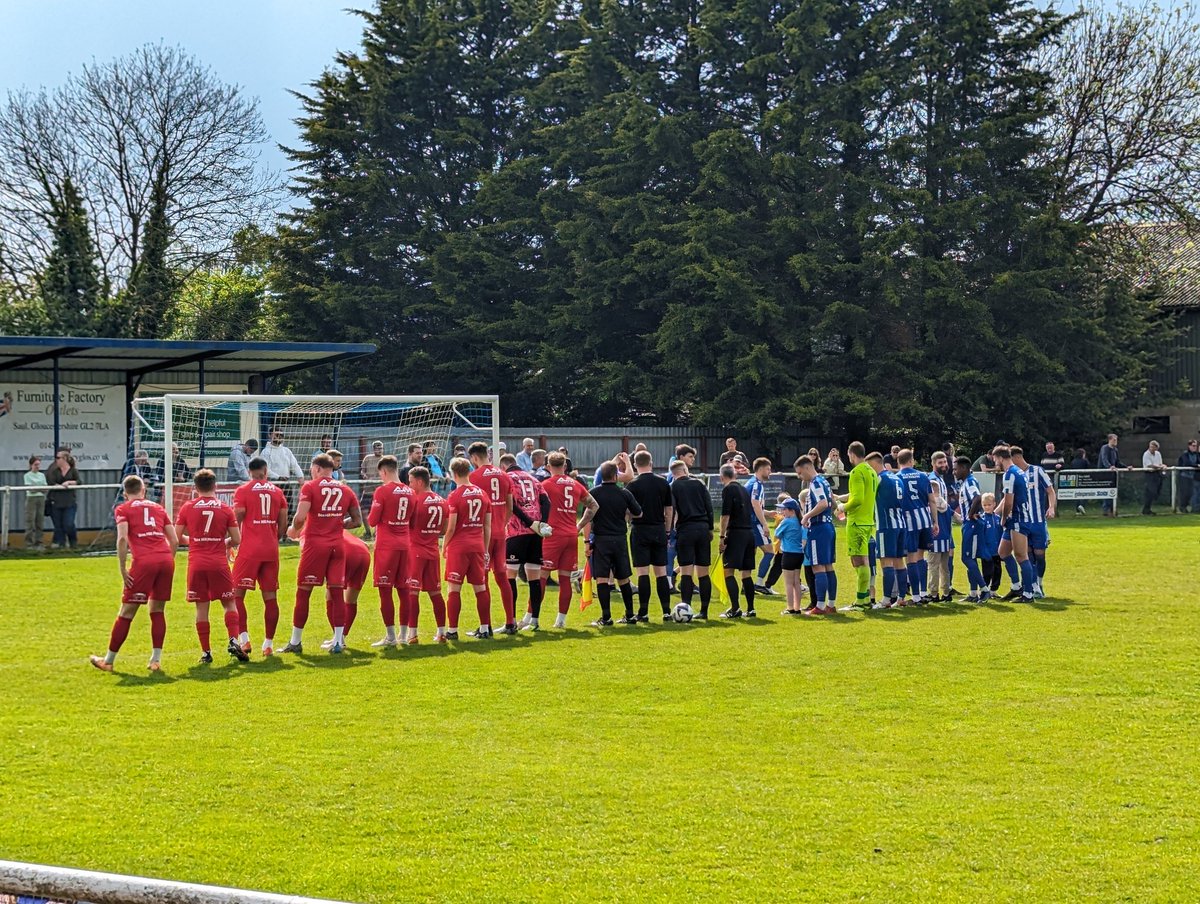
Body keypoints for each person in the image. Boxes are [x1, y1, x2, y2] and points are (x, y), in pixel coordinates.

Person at [89, 474, 177, 673]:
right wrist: (167, 560)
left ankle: (108, 661)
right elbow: (174, 541)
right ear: (143, 490)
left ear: (125, 492)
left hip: (144, 563)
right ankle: (155, 660)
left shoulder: (122, 509)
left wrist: (122, 568)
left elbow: (121, 539)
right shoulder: (158, 508)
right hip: (165, 560)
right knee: (157, 610)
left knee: (127, 611)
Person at [281, 453, 362, 654]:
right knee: (336, 593)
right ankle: (337, 641)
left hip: (315, 546)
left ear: (316, 468)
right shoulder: (345, 488)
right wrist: (336, 523)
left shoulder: (310, 486)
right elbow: (358, 520)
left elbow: (300, 517)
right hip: (337, 545)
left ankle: (295, 641)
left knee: (304, 592)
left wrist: (293, 530)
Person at [177, 470, 247, 663]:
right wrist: (222, 542)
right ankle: (233, 639)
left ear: (196, 487)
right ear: (215, 486)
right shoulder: (225, 508)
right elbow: (236, 539)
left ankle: (206, 653)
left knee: (201, 607)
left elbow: (176, 537)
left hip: (197, 563)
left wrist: (196, 541)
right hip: (218, 564)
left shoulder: (187, 507)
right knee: (229, 603)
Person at [231, 457, 288, 657]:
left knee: (236, 594)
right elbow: (283, 524)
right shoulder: (278, 491)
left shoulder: (243, 490)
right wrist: (274, 536)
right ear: (266, 471)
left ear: (249, 472)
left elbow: (237, 515)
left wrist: (232, 540)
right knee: (270, 597)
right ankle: (268, 644)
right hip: (271, 550)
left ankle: (245, 640)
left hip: (249, 550)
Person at [539, 451, 599, 626]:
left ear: (548, 466)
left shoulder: (545, 485)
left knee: (542, 576)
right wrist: (579, 526)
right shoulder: (575, 484)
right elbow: (594, 505)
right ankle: (561, 620)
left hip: (552, 535)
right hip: (570, 535)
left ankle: (532, 617)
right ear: (564, 466)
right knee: (565, 578)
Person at [467, 441, 518, 633]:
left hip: (482, 534)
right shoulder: (504, 475)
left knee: (483, 579)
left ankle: (485, 626)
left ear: (474, 458)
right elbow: (510, 507)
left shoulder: (474, 477)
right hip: (500, 532)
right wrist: (502, 525)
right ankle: (510, 622)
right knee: (502, 577)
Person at [367, 455, 416, 647]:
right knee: (404, 591)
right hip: (405, 545)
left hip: (387, 546)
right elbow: (412, 522)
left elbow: (371, 520)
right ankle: (404, 635)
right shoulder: (410, 492)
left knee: (385, 591)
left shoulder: (382, 491)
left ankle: (390, 636)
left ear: (384, 471)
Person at [586, 461, 642, 627]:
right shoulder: (624, 493)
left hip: (601, 540)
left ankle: (606, 617)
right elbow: (638, 513)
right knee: (623, 578)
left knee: (602, 579)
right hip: (619, 539)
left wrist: (586, 541)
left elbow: (588, 518)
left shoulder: (593, 493)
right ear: (616, 476)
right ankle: (630, 615)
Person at [499, 453, 551, 631]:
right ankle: (535, 620)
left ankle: (511, 621)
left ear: (504, 466)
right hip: (535, 533)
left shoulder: (506, 478)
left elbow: (511, 504)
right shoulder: (533, 478)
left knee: (510, 576)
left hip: (516, 532)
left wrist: (529, 522)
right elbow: (547, 502)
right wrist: (541, 523)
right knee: (534, 577)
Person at [443, 456, 493, 639]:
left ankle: (452, 630)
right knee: (480, 588)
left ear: (453, 473)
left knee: (454, 588)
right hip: (477, 545)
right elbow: (487, 525)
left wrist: (445, 545)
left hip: (459, 546)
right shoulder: (482, 493)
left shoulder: (454, 495)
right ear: (469, 471)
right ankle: (485, 628)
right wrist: (485, 548)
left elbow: (451, 527)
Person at [625, 451, 673, 622]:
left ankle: (643, 612)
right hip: (659, 529)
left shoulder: (632, 485)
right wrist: (667, 531)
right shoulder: (663, 482)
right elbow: (669, 510)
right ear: (651, 463)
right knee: (661, 572)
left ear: (636, 465)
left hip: (640, 530)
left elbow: (628, 511)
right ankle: (666, 611)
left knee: (642, 572)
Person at [406, 467, 450, 642]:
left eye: (410, 481)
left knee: (412, 592)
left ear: (419, 481)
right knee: (435, 593)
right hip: (432, 550)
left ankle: (412, 634)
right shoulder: (442, 501)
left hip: (416, 550)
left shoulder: (416, 500)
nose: (409, 485)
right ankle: (441, 632)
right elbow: (445, 528)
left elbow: (407, 523)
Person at [669, 459, 714, 618]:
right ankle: (704, 611)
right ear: (685, 470)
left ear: (673, 474)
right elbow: (709, 507)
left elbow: (672, 510)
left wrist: (670, 531)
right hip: (702, 529)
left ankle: (685, 608)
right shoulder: (699, 484)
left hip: (685, 530)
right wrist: (710, 528)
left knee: (686, 572)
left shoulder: (674, 487)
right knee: (703, 573)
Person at [838, 442, 879, 609]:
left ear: (852, 455)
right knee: (864, 561)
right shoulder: (871, 472)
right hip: (868, 521)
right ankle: (866, 599)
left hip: (857, 522)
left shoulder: (856, 472)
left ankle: (860, 601)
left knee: (859, 561)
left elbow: (858, 499)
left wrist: (842, 507)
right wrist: (841, 497)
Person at [795, 455, 837, 615]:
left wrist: (806, 516)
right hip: (828, 526)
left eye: (800, 473)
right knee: (827, 566)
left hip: (819, 528)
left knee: (817, 566)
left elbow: (823, 503)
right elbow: (831, 501)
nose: (800, 477)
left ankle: (819, 606)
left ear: (806, 467)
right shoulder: (825, 481)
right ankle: (830, 604)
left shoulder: (816, 483)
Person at [994, 446, 1037, 602]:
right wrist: (995, 513)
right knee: (1003, 552)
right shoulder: (1018, 471)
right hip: (1015, 518)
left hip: (1019, 518)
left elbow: (1009, 502)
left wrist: (1003, 518)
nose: (995, 463)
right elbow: (1007, 498)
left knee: (1021, 556)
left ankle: (1028, 594)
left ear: (999, 458)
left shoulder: (1011, 474)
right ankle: (1016, 587)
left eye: (995, 460)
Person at [1013, 445, 1056, 597]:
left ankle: (1039, 582)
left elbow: (1050, 491)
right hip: (1023, 521)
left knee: (1040, 555)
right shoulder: (1015, 475)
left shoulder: (1037, 471)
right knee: (1027, 555)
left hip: (1038, 522)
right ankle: (1032, 585)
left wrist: (1051, 508)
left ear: (1017, 457)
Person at [897, 449, 938, 605]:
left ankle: (915, 596)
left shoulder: (897, 478)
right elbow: (932, 501)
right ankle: (922, 592)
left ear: (898, 462)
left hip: (909, 522)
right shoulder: (923, 476)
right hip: (925, 520)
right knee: (921, 557)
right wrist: (935, 522)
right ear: (911, 461)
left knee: (911, 559)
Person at [321, 531, 372, 649]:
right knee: (351, 600)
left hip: (347, 554)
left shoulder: (316, 529)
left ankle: (339, 639)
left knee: (332, 596)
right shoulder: (335, 525)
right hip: (364, 553)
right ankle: (340, 637)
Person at [718, 464, 757, 618]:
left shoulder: (728, 489)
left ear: (722, 477)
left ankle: (735, 608)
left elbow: (725, 515)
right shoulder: (744, 490)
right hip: (749, 533)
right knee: (746, 573)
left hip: (736, 533)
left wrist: (722, 537)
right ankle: (751, 608)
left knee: (728, 571)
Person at [874, 452, 909, 608]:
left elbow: (863, 496)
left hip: (886, 525)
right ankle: (901, 597)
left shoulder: (879, 478)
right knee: (899, 562)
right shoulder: (897, 478)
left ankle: (886, 600)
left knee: (886, 562)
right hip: (900, 524)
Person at [953, 456, 990, 603]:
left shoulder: (970, 482)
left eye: (956, 469)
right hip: (969, 524)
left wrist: (969, 514)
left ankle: (984, 590)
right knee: (971, 558)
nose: (954, 472)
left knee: (967, 558)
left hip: (972, 524)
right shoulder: (966, 482)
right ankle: (973, 593)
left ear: (964, 468)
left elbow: (977, 497)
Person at [925, 451, 955, 602]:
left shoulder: (940, 480)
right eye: (940, 462)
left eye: (945, 462)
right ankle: (944, 592)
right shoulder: (932, 480)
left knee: (937, 565)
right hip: (939, 530)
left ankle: (935, 593)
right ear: (933, 463)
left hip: (942, 530)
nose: (944, 465)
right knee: (941, 565)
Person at [745, 458, 776, 595]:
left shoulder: (750, 483)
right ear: (761, 469)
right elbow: (754, 503)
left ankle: (746, 585)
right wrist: (764, 524)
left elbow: (754, 506)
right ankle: (758, 583)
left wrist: (767, 513)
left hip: (748, 523)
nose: (770, 472)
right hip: (754, 524)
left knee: (750, 554)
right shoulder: (757, 484)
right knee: (770, 552)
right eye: (768, 469)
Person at [772, 499, 806, 614]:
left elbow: (777, 534)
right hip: (799, 554)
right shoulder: (800, 521)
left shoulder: (787, 521)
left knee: (788, 583)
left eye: (784, 509)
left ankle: (790, 607)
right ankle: (797, 607)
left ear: (791, 510)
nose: (782, 512)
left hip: (788, 554)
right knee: (797, 582)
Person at [262, 428, 305, 512]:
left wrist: (300, 477)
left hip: (286, 485)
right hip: (273, 485)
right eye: (276, 435)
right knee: (274, 510)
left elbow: (295, 465)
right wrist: (278, 477)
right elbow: (265, 470)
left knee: (288, 509)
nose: (279, 437)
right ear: (270, 435)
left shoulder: (287, 451)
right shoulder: (265, 452)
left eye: (281, 435)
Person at [46, 448, 81, 549]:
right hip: (56, 501)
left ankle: (73, 542)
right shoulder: (54, 470)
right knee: (58, 526)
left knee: (68, 524)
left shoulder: (73, 470)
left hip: (69, 501)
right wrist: (58, 485)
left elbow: (79, 481)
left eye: (58, 458)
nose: (56, 460)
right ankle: (61, 545)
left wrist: (69, 482)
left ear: (65, 459)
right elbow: (50, 482)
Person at [1098, 434, 1131, 516]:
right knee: (1107, 491)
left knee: (1113, 491)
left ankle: (1113, 509)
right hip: (1105, 473)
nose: (1115, 441)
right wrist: (1109, 466)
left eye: (1116, 440)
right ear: (1109, 440)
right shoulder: (1105, 448)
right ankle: (1106, 509)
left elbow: (1118, 462)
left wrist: (1126, 467)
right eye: (1114, 440)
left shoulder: (1115, 450)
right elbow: (1104, 459)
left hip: (1112, 473)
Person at [359, 440, 386, 539]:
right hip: (368, 490)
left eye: (381, 448)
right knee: (363, 511)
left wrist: (378, 479)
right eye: (377, 448)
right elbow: (362, 470)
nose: (379, 450)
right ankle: (368, 532)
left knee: (378, 512)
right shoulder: (368, 458)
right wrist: (365, 476)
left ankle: (376, 533)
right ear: (373, 449)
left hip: (379, 490)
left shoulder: (385, 460)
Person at [978, 493, 1004, 593]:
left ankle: (994, 590)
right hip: (986, 552)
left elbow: (1001, 534)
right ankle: (984, 590)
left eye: (989, 505)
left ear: (994, 504)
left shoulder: (998, 519)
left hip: (997, 551)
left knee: (997, 571)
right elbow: (981, 537)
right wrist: (982, 549)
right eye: (985, 505)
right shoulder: (982, 519)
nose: (987, 507)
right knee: (987, 572)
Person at [23, 454, 47, 550]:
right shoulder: (27, 475)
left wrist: (37, 488)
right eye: (35, 464)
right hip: (31, 498)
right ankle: (29, 543)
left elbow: (45, 489)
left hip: (41, 498)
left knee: (39, 520)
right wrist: (39, 488)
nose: (37, 466)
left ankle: (39, 542)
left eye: (38, 465)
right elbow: (30, 489)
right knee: (30, 521)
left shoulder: (42, 475)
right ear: (31, 465)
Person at [1141, 440, 1167, 515]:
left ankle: (1148, 508)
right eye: (1151, 447)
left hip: (1157, 473)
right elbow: (1150, 465)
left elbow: (1160, 463)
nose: (1152, 448)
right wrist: (1159, 467)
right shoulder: (1146, 454)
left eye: (1154, 447)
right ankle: (1146, 509)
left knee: (1157, 491)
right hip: (1149, 474)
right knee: (1151, 491)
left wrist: (1163, 466)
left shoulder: (1158, 454)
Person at [1178, 439, 1200, 514]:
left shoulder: (1197, 455)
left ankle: (1194, 508)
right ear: (1189, 446)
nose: (1195, 448)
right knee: (1185, 493)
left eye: (1196, 446)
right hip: (1185, 476)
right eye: (1193, 446)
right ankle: (1182, 507)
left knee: (1192, 493)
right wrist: (1197, 465)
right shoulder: (1185, 454)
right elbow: (1187, 463)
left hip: (1192, 476)